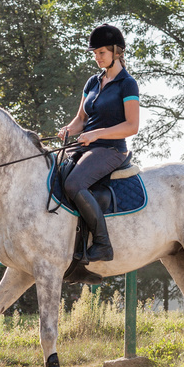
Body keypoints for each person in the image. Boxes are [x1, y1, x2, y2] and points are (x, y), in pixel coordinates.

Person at [58, 24, 140, 263]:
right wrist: (68, 130)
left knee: (74, 184)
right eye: (94, 53)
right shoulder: (92, 82)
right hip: (86, 146)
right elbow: (81, 119)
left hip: (111, 149)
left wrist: (96, 134)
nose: (97, 57)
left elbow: (132, 126)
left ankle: (103, 243)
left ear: (117, 52)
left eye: (101, 52)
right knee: (54, 169)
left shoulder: (127, 84)